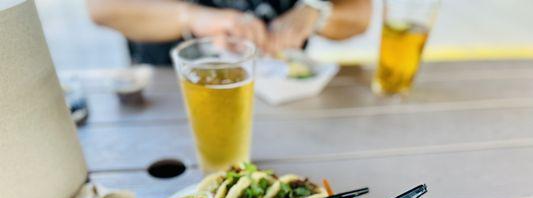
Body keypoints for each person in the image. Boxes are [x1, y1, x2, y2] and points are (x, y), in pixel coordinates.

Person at [87, 0, 371, 65]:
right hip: (167, 92)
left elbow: (360, 15)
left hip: (280, 98)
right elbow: (102, 8)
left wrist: (315, 11)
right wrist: (191, 16)